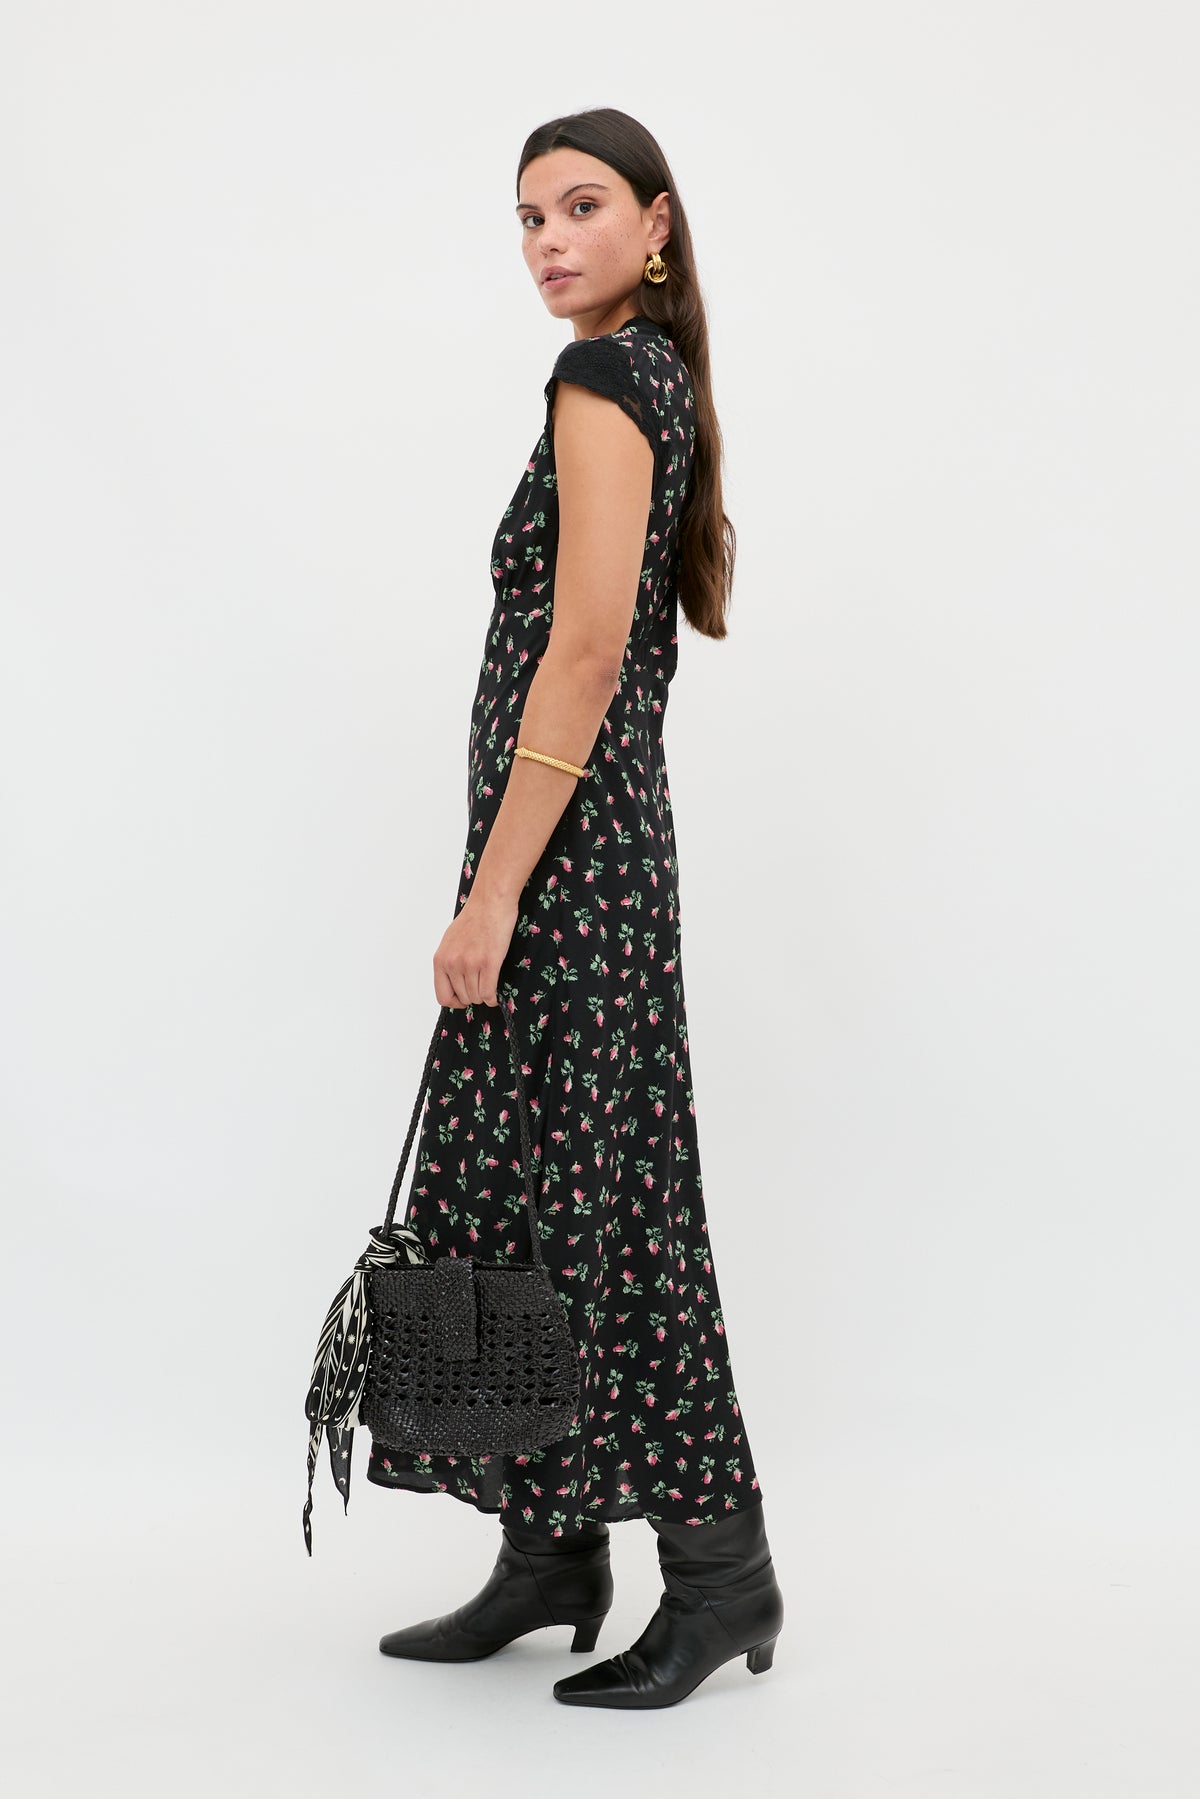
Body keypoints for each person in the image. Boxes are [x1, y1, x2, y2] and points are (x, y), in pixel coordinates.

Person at [371, 107, 784, 1708]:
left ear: (657, 226)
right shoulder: (648, 380)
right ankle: (549, 1550)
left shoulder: (603, 382)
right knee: (551, 1201)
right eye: (528, 216)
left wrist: (490, 896)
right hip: (592, 864)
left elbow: (591, 653)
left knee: (612, 1221)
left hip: (569, 873)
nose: (549, 239)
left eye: (584, 207)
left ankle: (720, 1571)